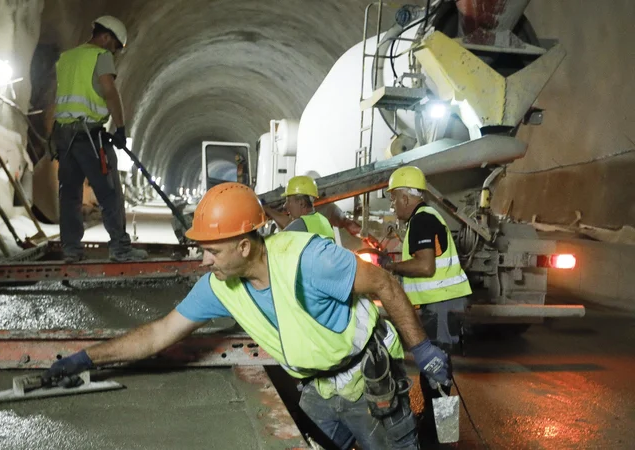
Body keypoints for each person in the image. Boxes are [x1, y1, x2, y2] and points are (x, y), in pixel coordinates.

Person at [44, 182, 452, 449]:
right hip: (318, 394)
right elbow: (157, 334)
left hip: (368, 385)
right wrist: (86, 358)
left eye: (212, 250)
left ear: (244, 246)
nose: (204, 261)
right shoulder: (220, 285)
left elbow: (385, 284)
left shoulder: (308, 260)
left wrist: (423, 348)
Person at [383, 165, 472, 435]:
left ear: (407, 198)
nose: (393, 204)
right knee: (433, 369)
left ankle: (444, 434)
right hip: (443, 305)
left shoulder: (423, 219)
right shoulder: (423, 218)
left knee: (437, 372)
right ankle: (439, 429)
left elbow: (425, 267)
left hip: (443, 306)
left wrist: (393, 267)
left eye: (394, 198)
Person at [52, 15, 146, 262]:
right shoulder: (100, 56)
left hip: (64, 136)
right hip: (90, 138)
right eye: (114, 46)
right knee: (110, 192)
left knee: (70, 194)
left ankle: (71, 249)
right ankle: (120, 248)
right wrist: (121, 128)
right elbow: (109, 92)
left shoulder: (66, 58)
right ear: (106, 37)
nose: (113, 53)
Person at [263, 175, 335, 239]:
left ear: (302, 203)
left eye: (288, 201)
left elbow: (272, 245)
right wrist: (267, 209)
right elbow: (288, 223)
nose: (285, 205)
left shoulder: (301, 225)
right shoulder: (323, 220)